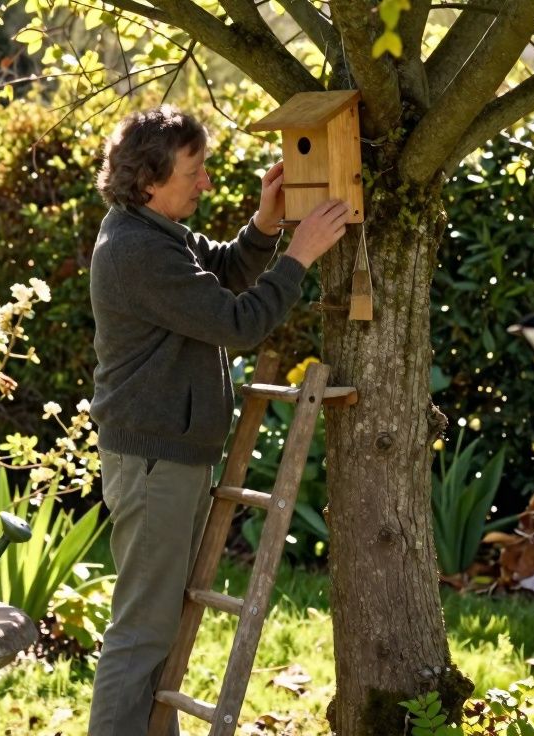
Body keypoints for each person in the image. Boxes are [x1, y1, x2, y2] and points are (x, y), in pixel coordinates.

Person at [87, 105, 350, 736]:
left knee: (158, 627)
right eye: (196, 170)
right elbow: (237, 321)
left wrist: (265, 224)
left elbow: (222, 277)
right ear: (150, 181)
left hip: (168, 455)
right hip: (156, 462)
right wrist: (300, 254)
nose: (207, 182)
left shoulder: (154, 232)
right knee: (142, 631)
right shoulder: (137, 251)